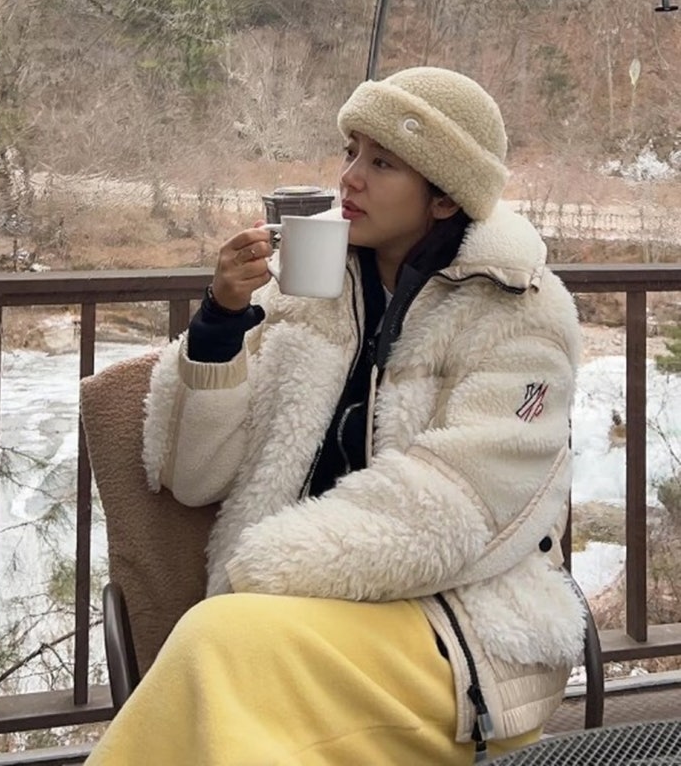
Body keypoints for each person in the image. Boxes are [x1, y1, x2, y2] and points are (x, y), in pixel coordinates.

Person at [86, 67, 584, 766]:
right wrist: (221, 324)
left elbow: (452, 514)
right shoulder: (308, 290)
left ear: (445, 196)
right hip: (294, 620)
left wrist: (263, 564)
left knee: (220, 644)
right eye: (351, 152)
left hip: (463, 636)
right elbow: (194, 476)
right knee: (229, 687)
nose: (349, 178)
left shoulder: (519, 313)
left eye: (382, 163)